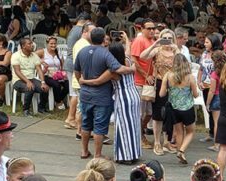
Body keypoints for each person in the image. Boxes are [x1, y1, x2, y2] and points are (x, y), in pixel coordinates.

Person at [75, 28, 135, 159]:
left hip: (85, 94)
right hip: (102, 95)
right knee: (100, 126)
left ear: (90, 38)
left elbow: (76, 71)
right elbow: (118, 68)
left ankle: (84, 151)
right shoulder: (105, 54)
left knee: (86, 124)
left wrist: (82, 83)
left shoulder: (82, 51)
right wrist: (131, 69)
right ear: (103, 39)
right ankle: (97, 154)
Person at [140, 29, 180, 156]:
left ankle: (167, 141)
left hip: (173, 84)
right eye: (165, 38)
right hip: (159, 83)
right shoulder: (157, 50)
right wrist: (155, 43)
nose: (167, 41)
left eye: (169, 38)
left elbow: (183, 63)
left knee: (171, 113)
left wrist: (176, 48)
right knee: (158, 114)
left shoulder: (176, 51)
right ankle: (157, 142)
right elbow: (142, 56)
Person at [161, 53, 200, 165]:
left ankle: (180, 151)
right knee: (191, 131)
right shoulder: (190, 77)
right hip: (187, 108)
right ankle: (182, 150)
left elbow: (161, 94)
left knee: (179, 131)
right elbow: (196, 94)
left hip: (174, 108)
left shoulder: (168, 75)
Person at [131, 19, 157, 150]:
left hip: (150, 82)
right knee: (141, 112)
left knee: (149, 112)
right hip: (140, 81)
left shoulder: (153, 41)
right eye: (149, 28)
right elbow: (134, 60)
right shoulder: (139, 40)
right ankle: (140, 137)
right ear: (142, 29)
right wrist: (146, 76)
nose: (152, 30)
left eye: (153, 28)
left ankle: (140, 133)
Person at [12, 37, 50, 116]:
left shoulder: (34, 55)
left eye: (32, 43)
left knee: (45, 88)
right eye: (29, 44)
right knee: (30, 88)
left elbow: (39, 70)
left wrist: (43, 82)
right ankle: (26, 110)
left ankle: (41, 108)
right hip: (18, 80)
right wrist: (27, 81)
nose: (32, 45)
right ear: (23, 46)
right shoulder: (16, 55)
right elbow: (17, 71)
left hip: (32, 78)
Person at [197, 33, 221, 146]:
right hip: (205, 85)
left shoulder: (219, 55)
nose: (204, 44)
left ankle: (218, 138)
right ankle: (211, 133)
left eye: (207, 42)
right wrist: (198, 81)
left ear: (213, 42)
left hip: (215, 87)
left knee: (215, 109)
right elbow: (201, 68)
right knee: (209, 110)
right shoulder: (204, 54)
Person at [38, 36, 70, 111]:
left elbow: (62, 65)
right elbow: (32, 56)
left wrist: (64, 74)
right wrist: (41, 61)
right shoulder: (43, 51)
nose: (53, 45)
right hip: (46, 74)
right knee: (56, 85)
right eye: (51, 43)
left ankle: (58, 99)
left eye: (55, 43)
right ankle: (59, 102)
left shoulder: (58, 52)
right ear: (47, 44)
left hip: (58, 75)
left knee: (68, 85)